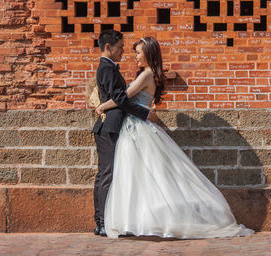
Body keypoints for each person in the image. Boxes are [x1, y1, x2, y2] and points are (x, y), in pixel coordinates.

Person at [95, 36, 254, 239]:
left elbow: (123, 97)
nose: (134, 56)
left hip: (136, 128)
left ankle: (138, 220)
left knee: (137, 175)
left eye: (138, 52)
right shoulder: (150, 74)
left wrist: (102, 105)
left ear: (148, 53)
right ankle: (138, 219)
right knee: (142, 175)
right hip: (137, 126)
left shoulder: (146, 75)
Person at [92, 30, 157, 237]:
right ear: (108, 47)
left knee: (109, 174)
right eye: (120, 47)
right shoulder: (107, 68)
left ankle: (105, 221)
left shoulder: (110, 68)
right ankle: (101, 223)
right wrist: (144, 113)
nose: (124, 52)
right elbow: (121, 98)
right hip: (108, 127)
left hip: (115, 126)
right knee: (106, 174)